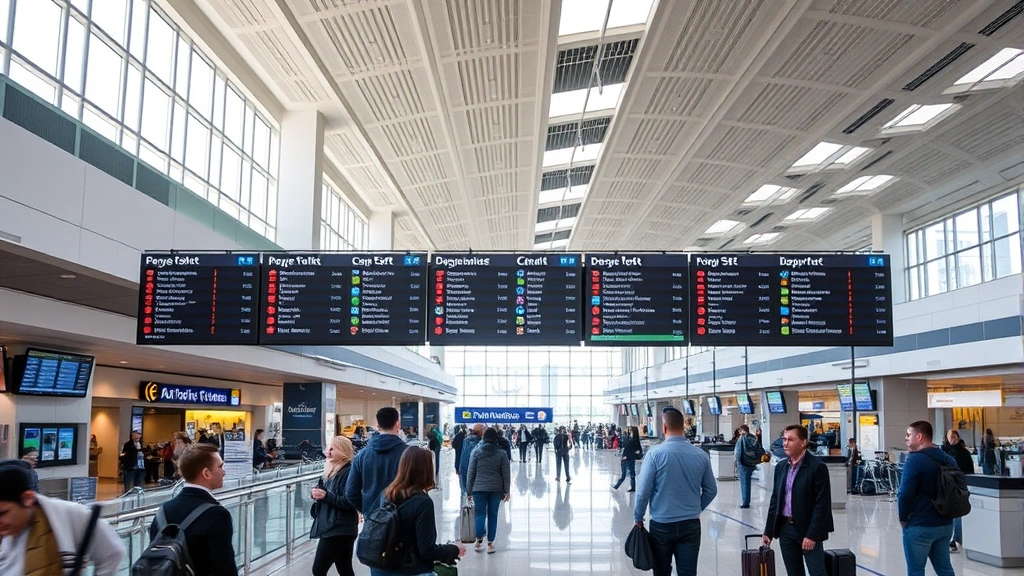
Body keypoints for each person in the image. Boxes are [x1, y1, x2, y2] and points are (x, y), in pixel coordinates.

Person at [0, 459, 125, 574]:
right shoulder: (10, 532)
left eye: (3, 513)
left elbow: (112, 552)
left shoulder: (70, 515)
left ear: (27, 498)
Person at [634, 407, 717, 576]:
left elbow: (643, 492)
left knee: (662, 571)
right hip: (691, 525)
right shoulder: (701, 455)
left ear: (664, 427)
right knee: (688, 572)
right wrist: (695, 508)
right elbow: (711, 490)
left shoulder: (655, 454)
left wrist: (638, 517)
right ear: (684, 427)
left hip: (662, 525)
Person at [370, 448, 465, 576]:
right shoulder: (422, 502)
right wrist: (453, 550)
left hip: (381, 567)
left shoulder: (387, 494)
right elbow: (426, 550)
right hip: (409, 569)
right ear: (426, 470)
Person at [150, 443, 238, 576]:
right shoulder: (217, 515)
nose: (224, 472)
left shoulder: (163, 511)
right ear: (206, 473)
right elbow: (225, 568)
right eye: (220, 466)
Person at [762, 425, 834, 576]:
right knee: (793, 572)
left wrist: (812, 535)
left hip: (808, 529)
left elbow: (822, 504)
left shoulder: (817, 467)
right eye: (784, 439)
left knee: (817, 572)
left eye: (790, 440)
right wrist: (769, 530)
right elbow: (776, 500)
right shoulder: (781, 467)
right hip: (786, 529)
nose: (785, 444)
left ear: (803, 442)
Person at [898, 421, 957, 576]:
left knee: (916, 570)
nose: (906, 438)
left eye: (909, 435)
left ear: (919, 437)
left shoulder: (915, 460)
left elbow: (905, 493)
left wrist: (903, 518)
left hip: (920, 524)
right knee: (945, 568)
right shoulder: (949, 459)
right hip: (945, 524)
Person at [344, 407, 409, 514]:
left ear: (378, 427)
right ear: (398, 425)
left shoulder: (362, 455)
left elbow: (350, 492)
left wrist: (367, 511)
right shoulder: (409, 453)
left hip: (373, 520)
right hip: (402, 517)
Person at [310, 436, 358, 576]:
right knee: (344, 568)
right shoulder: (332, 471)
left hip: (337, 528)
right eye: (328, 448)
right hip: (339, 527)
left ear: (343, 451)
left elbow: (350, 501)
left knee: (319, 569)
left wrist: (326, 496)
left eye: (332, 449)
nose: (328, 452)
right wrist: (317, 494)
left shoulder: (348, 472)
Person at [466, 428, 511, 554]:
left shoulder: (476, 452)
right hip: (496, 489)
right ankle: (490, 544)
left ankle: (479, 539)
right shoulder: (502, 453)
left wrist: (468, 491)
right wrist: (507, 491)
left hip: (478, 488)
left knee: (480, 514)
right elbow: (506, 474)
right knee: (493, 515)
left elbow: (471, 473)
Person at [941, 429, 974, 554]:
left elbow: (969, 470)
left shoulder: (964, 453)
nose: (953, 439)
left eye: (955, 436)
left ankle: (955, 539)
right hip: (946, 486)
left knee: (957, 514)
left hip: (959, 486)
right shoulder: (943, 452)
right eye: (951, 437)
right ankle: (950, 539)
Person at [613, 426, 643, 492]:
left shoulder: (633, 441)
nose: (629, 431)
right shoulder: (634, 440)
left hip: (627, 459)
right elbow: (638, 450)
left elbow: (635, 450)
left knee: (624, 474)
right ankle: (632, 487)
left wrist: (628, 456)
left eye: (630, 430)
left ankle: (617, 486)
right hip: (630, 458)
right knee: (632, 473)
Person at [733, 424, 757, 508]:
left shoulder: (743, 439)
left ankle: (745, 503)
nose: (739, 432)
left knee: (744, 483)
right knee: (746, 482)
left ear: (743, 430)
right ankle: (746, 501)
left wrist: (736, 462)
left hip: (743, 463)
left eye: (740, 430)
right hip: (750, 463)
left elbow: (739, 452)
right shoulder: (752, 438)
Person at [458, 424, 484, 495]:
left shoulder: (465, 441)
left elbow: (462, 458)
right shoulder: (480, 444)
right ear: (480, 432)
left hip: (465, 471)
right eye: (483, 430)